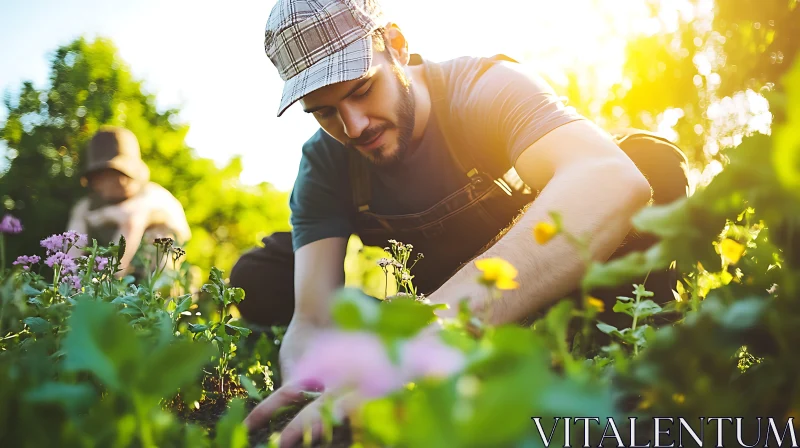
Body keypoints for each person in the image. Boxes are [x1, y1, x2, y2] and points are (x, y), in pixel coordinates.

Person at [238, 0, 688, 442]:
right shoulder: (324, 162)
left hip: (545, 287)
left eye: (361, 90)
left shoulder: (483, 87)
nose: (353, 127)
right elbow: (312, 316)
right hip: (439, 298)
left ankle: (619, 364)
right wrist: (309, 388)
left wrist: (423, 340)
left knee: (653, 166)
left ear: (395, 44)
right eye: (324, 112)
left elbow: (611, 179)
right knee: (258, 274)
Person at [66, 126, 191, 272]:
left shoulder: (152, 195)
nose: (100, 182)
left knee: (158, 244)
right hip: (121, 276)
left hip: (157, 274)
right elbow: (74, 244)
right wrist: (69, 278)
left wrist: (110, 276)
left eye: (109, 174)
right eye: (97, 176)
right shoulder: (87, 206)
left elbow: (133, 221)